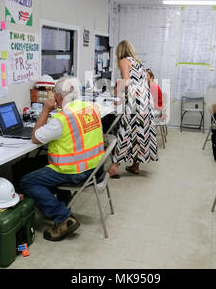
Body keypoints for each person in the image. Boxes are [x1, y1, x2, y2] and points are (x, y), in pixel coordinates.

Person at [20, 77, 105, 241]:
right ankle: (63, 206)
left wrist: (46, 109)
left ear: (58, 98)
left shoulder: (62, 119)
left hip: (76, 171)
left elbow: (35, 138)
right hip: (96, 166)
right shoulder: (91, 107)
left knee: (27, 181)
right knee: (41, 163)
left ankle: (63, 216)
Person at [107, 40, 158, 177]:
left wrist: (117, 93)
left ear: (120, 51)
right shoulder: (138, 63)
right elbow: (138, 83)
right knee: (140, 131)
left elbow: (127, 81)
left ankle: (114, 167)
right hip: (146, 100)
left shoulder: (124, 61)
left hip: (136, 102)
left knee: (125, 130)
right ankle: (135, 166)